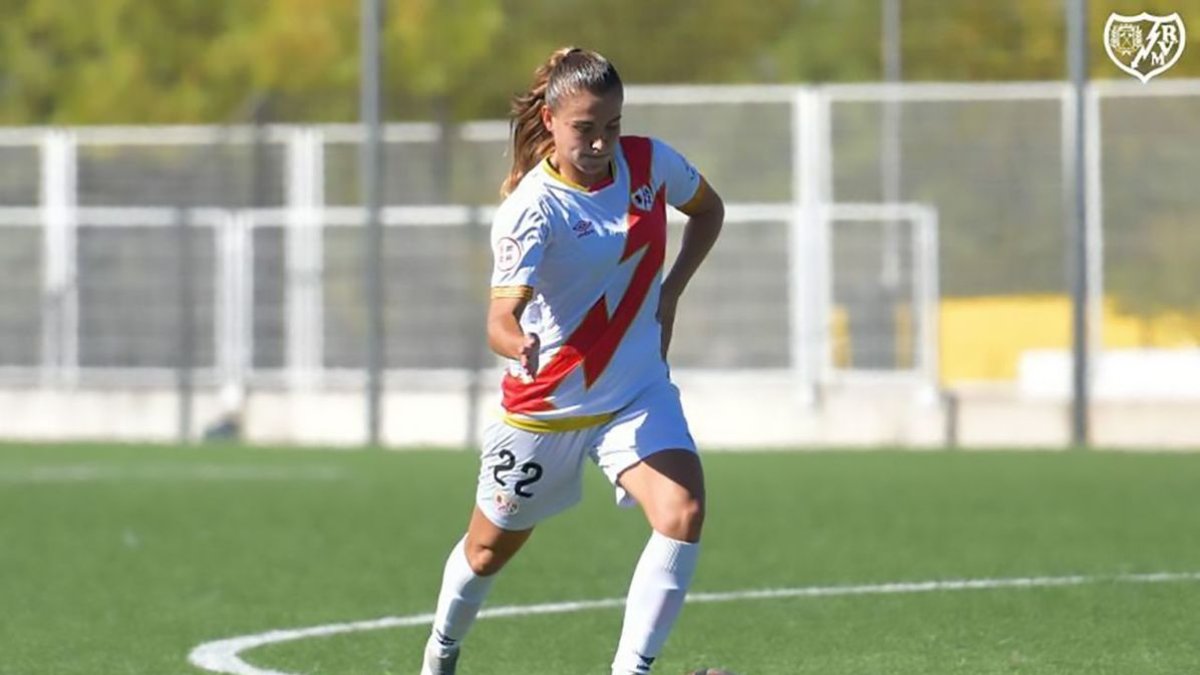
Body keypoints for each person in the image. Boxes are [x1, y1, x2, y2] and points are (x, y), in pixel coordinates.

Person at [420, 46, 725, 675]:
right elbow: (499, 319)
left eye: (612, 125)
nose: (601, 143)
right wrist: (516, 342)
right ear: (551, 121)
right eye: (585, 129)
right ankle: (441, 650)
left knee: (683, 511)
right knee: (486, 552)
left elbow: (708, 210)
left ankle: (630, 670)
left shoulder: (651, 163)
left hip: (635, 391)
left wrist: (670, 294)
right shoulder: (532, 209)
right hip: (546, 408)